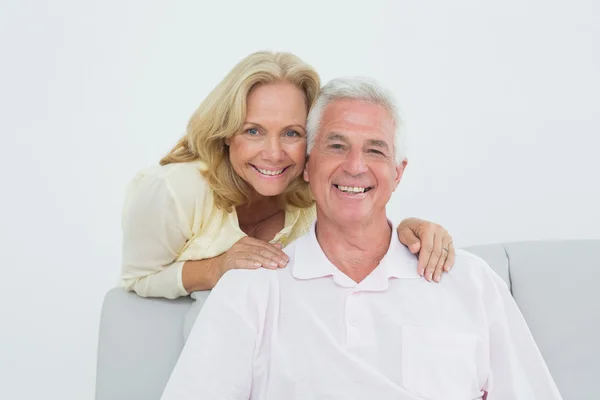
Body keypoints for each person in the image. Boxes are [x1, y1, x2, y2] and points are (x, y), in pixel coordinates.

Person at [160, 77, 563, 399]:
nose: (355, 166)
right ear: (307, 165)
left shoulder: (469, 282)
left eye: (375, 151)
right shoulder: (253, 287)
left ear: (398, 172)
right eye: (337, 146)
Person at [119, 51, 456, 330]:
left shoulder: (310, 193)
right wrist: (216, 268)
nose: (274, 152)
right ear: (225, 132)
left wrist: (408, 231)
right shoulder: (174, 191)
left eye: (292, 133)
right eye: (253, 131)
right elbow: (138, 278)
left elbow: (359, 212)